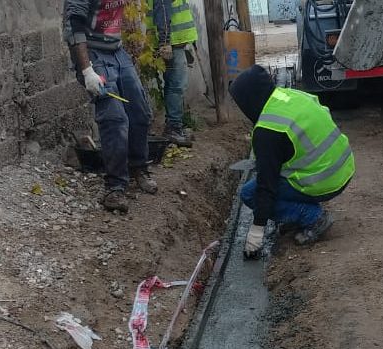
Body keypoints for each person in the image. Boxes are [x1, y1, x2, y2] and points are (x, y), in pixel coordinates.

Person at [229, 65, 355, 259]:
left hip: (324, 180)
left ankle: (313, 218)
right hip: (343, 166)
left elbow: (266, 187)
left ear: (249, 100)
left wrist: (256, 230)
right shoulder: (291, 96)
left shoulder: (268, 131)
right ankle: (298, 214)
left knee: (249, 193)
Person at [64, 0, 169, 213]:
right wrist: (87, 71)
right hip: (93, 52)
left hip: (117, 51)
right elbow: (74, 26)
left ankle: (138, 168)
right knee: (114, 117)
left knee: (139, 111)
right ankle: (115, 187)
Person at [147, 0, 198, 147]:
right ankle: (173, 128)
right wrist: (165, 41)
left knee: (174, 84)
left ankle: (175, 126)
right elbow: (162, 9)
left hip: (175, 42)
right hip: (172, 43)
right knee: (176, 85)